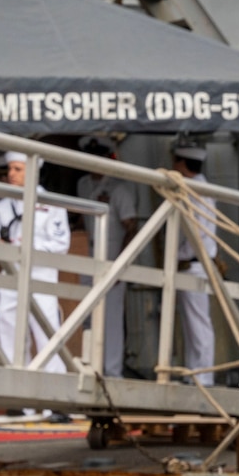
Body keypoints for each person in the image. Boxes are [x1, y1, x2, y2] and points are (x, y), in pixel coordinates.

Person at [0, 152, 70, 373]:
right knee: (10, 333)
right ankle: (16, 396)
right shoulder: (1, 207)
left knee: (48, 335)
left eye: (18, 169)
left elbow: (61, 244)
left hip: (41, 278)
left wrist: (27, 247)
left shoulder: (52, 204)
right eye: (10, 169)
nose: (11, 174)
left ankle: (54, 397)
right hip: (10, 278)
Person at [77, 136, 139, 378]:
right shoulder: (83, 184)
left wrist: (121, 264)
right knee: (86, 314)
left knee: (111, 317)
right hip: (88, 254)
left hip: (111, 254)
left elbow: (130, 227)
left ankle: (112, 371)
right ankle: (90, 365)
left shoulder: (119, 189)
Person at [169, 140, 217, 387]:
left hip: (194, 263)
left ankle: (203, 376)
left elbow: (195, 230)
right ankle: (195, 373)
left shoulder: (196, 191)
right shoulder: (195, 187)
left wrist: (183, 256)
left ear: (181, 163)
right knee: (191, 324)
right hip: (191, 263)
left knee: (198, 323)